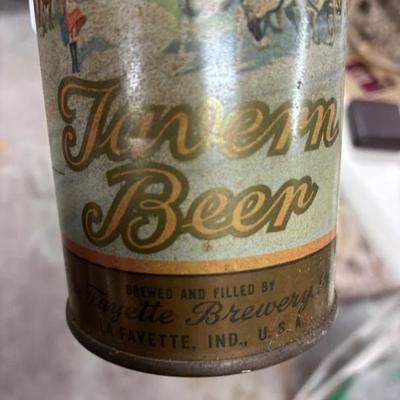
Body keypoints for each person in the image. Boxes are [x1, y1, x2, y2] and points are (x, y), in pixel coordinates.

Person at [59, 0, 87, 73]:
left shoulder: (74, 9)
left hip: (70, 10)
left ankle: (75, 66)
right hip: (68, 12)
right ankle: (75, 66)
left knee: (73, 41)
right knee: (72, 41)